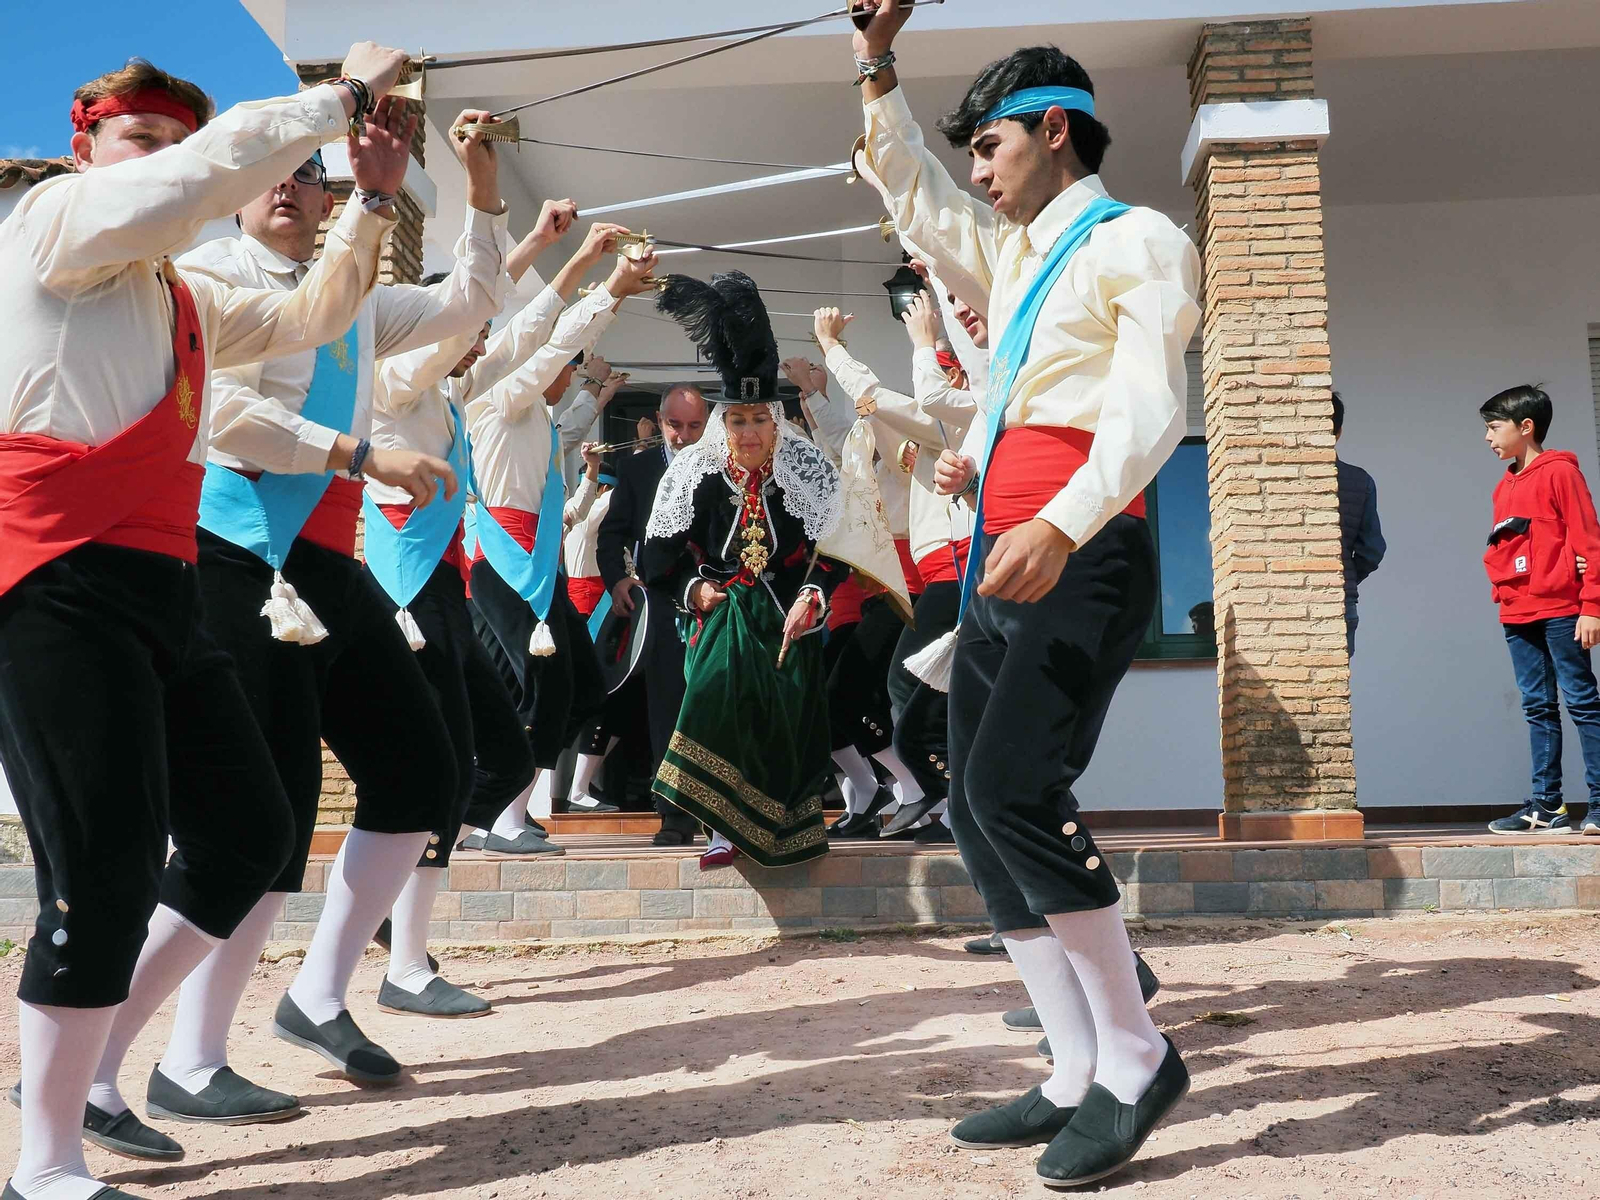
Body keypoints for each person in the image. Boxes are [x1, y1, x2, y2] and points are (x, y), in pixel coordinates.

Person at [0, 43, 411, 1199]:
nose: (168, 163)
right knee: (100, 860)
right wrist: (338, 100)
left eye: (177, 140)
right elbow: (200, 180)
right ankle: (45, 1163)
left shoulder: (180, 292)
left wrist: (371, 198)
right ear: (90, 147)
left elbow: (317, 314)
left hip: (163, 588)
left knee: (246, 830)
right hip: (52, 585)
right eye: (143, 141)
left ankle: (90, 1072)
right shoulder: (57, 223)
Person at [98, 99, 515, 1127]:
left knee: (422, 771)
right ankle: (170, 1062)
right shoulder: (206, 279)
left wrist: (485, 191)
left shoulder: (357, 298)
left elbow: (470, 303)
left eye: (309, 174)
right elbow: (222, 407)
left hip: (329, 560)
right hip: (235, 554)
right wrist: (363, 453)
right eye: (272, 171)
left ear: (333, 199)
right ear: (242, 192)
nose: (287, 185)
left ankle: (316, 994)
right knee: (261, 822)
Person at [851, 3, 1201, 1186]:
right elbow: (914, 197)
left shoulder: (1137, 240)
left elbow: (1150, 411)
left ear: (1054, 128)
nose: (976, 175)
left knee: (1012, 785)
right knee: (970, 803)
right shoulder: (1014, 254)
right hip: (1009, 543)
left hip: (1081, 547)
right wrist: (874, 61)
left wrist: (1057, 523)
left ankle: (1137, 1056)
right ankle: (1069, 1069)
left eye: (990, 148)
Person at [359, 202, 622, 1016]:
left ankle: (382, 906)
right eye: (461, 332)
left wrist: (582, 271)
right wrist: (537, 251)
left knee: (497, 755)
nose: (477, 343)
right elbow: (489, 333)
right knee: (429, 770)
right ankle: (400, 958)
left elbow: (527, 336)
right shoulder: (397, 381)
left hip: (439, 592)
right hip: (403, 596)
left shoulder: (449, 394)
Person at [642, 270, 845, 871]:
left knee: (784, 722)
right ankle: (720, 830)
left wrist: (814, 592)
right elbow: (656, 560)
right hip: (723, 611)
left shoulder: (804, 473)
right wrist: (694, 588)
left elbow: (834, 547)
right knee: (713, 704)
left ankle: (788, 834)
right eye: (738, 422)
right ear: (721, 426)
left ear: (774, 422)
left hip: (786, 615)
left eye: (759, 420)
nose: (750, 433)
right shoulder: (694, 477)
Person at [464, 245, 659, 846]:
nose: (569, 371)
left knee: (583, 690)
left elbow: (571, 412)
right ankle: (492, 816)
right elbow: (544, 342)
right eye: (567, 366)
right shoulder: (498, 400)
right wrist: (612, 290)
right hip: (501, 563)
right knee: (543, 686)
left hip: (535, 566)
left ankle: (501, 809)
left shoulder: (541, 422)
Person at [812, 294, 980, 845]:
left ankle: (933, 791)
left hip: (951, 573)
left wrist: (835, 350)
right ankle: (941, 801)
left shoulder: (959, 416)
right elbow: (867, 416)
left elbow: (877, 397)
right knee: (927, 692)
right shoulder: (933, 435)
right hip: (939, 574)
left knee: (911, 685)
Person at [1480, 385, 1600, 837]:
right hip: (1517, 613)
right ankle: (1547, 805)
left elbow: (1590, 541)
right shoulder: (1503, 486)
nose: (1488, 438)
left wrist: (1592, 606)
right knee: (1537, 708)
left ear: (1525, 427)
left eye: (1494, 427)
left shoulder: (1561, 474)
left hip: (1563, 610)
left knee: (1583, 703)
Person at [596, 383, 711, 845]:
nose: (683, 435)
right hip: (662, 602)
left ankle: (726, 810)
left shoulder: (725, 466)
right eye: (675, 424)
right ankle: (676, 816)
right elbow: (613, 534)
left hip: (720, 601)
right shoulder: (637, 467)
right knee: (667, 706)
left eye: (694, 425)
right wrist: (618, 578)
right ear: (660, 421)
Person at [560, 440, 626, 815]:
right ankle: (579, 788)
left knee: (603, 703)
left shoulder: (575, 522)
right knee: (602, 702)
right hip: (593, 617)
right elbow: (608, 502)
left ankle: (579, 786)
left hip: (590, 613)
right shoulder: (592, 517)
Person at [1332, 393, 1386, 656]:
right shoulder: (1359, 480)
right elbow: (1372, 550)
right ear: (1338, 432)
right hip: (1342, 600)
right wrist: (1348, 575)